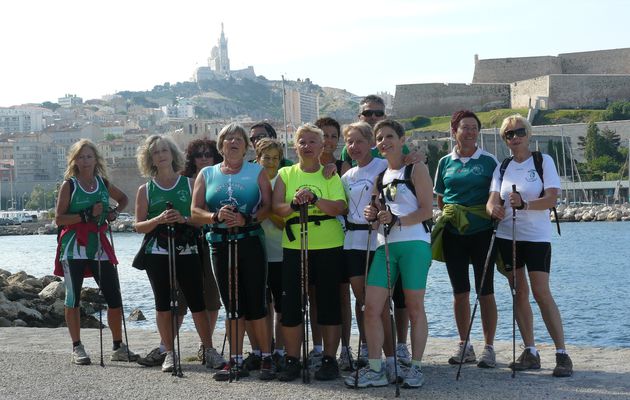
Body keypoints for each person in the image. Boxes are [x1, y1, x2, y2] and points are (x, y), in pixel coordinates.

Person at [486, 115, 573, 378]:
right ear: (505, 140)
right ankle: (530, 351)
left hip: (536, 237)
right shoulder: (502, 167)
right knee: (518, 292)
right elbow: (491, 201)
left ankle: (561, 353)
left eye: (519, 132)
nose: (515, 137)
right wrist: (495, 210)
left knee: (540, 292)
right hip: (507, 236)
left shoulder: (542, 161)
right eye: (509, 134)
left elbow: (551, 199)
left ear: (529, 133)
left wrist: (524, 205)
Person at [352, 119, 433, 389]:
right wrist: (372, 215)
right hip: (385, 246)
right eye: (379, 138)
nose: (384, 142)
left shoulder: (416, 168)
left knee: (414, 307)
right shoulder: (380, 176)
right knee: (371, 307)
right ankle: (375, 369)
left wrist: (396, 220)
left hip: (414, 244)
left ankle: (416, 367)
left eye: (389, 136)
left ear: (401, 139)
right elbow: (376, 216)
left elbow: (426, 211)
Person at [191, 123, 274, 381]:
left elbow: (268, 207)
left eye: (239, 139)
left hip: (249, 240)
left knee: (256, 303)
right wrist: (215, 215)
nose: (234, 142)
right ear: (221, 145)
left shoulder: (256, 171)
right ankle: (235, 359)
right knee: (232, 304)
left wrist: (247, 219)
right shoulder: (207, 173)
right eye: (229, 139)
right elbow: (195, 212)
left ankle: (266, 358)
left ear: (246, 146)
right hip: (219, 243)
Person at [137, 139, 227, 369]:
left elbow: (200, 218)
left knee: (197, 301)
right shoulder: (145, 190)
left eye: (164, 150)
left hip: (188, 249)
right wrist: (159, 219)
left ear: (172, 153)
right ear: (150, 158)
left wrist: (183, 219)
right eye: (155, 152)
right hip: (157, 251)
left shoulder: (189, 183)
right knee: (162, 303)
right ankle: (169, 352)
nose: (160, 155)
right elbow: (138, 226)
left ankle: (208, 349)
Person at [272, 123, 347, 382]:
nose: (307, 146)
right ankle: (292, 360)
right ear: (295, 146)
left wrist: (314, 200)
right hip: (295, 246)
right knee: (291, 305)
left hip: (328, 244)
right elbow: (277, 208)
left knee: (328, 303)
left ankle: (329, 359)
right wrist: (294, 203)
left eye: (312, 142)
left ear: (322, 146)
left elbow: (339, 207)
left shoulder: (330, 175)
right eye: (302, 142)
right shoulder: (286, 174)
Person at [54, 138, 138, 365]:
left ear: (96, 159)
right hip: (73, 245)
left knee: (114, 296)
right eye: (81, 157)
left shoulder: (102, 182)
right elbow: (59, 219)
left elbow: (123, 199)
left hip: (98, 244)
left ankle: (118, 346)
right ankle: (77, 347)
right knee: (73, 298)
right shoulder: (69, 185)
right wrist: (86, 214)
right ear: (75, 161)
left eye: (89, 156)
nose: (85, 160)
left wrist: (113, 214)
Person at [432, 110, 499, 368]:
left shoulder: (489, 161)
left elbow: (496, 194)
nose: (470, 132)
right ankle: (464, 344)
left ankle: (489, 347)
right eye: (464, 127)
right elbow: (441, 197)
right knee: (460, 292)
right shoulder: (444, 162)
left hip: (482, 231)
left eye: (474, 128)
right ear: (454, 131)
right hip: (453, 233)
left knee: (486, 291)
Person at [255, 138, 287, 370]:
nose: (271, 162)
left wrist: (267, 211)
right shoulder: (252, 182)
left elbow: (285, 221)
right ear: (258, 159)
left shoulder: (283, 182)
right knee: (261, 306)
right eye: (266, 158)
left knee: (282, 307)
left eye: (275, 158)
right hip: (257, 253)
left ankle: (280, 351)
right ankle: (263, 349)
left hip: (282, 252)